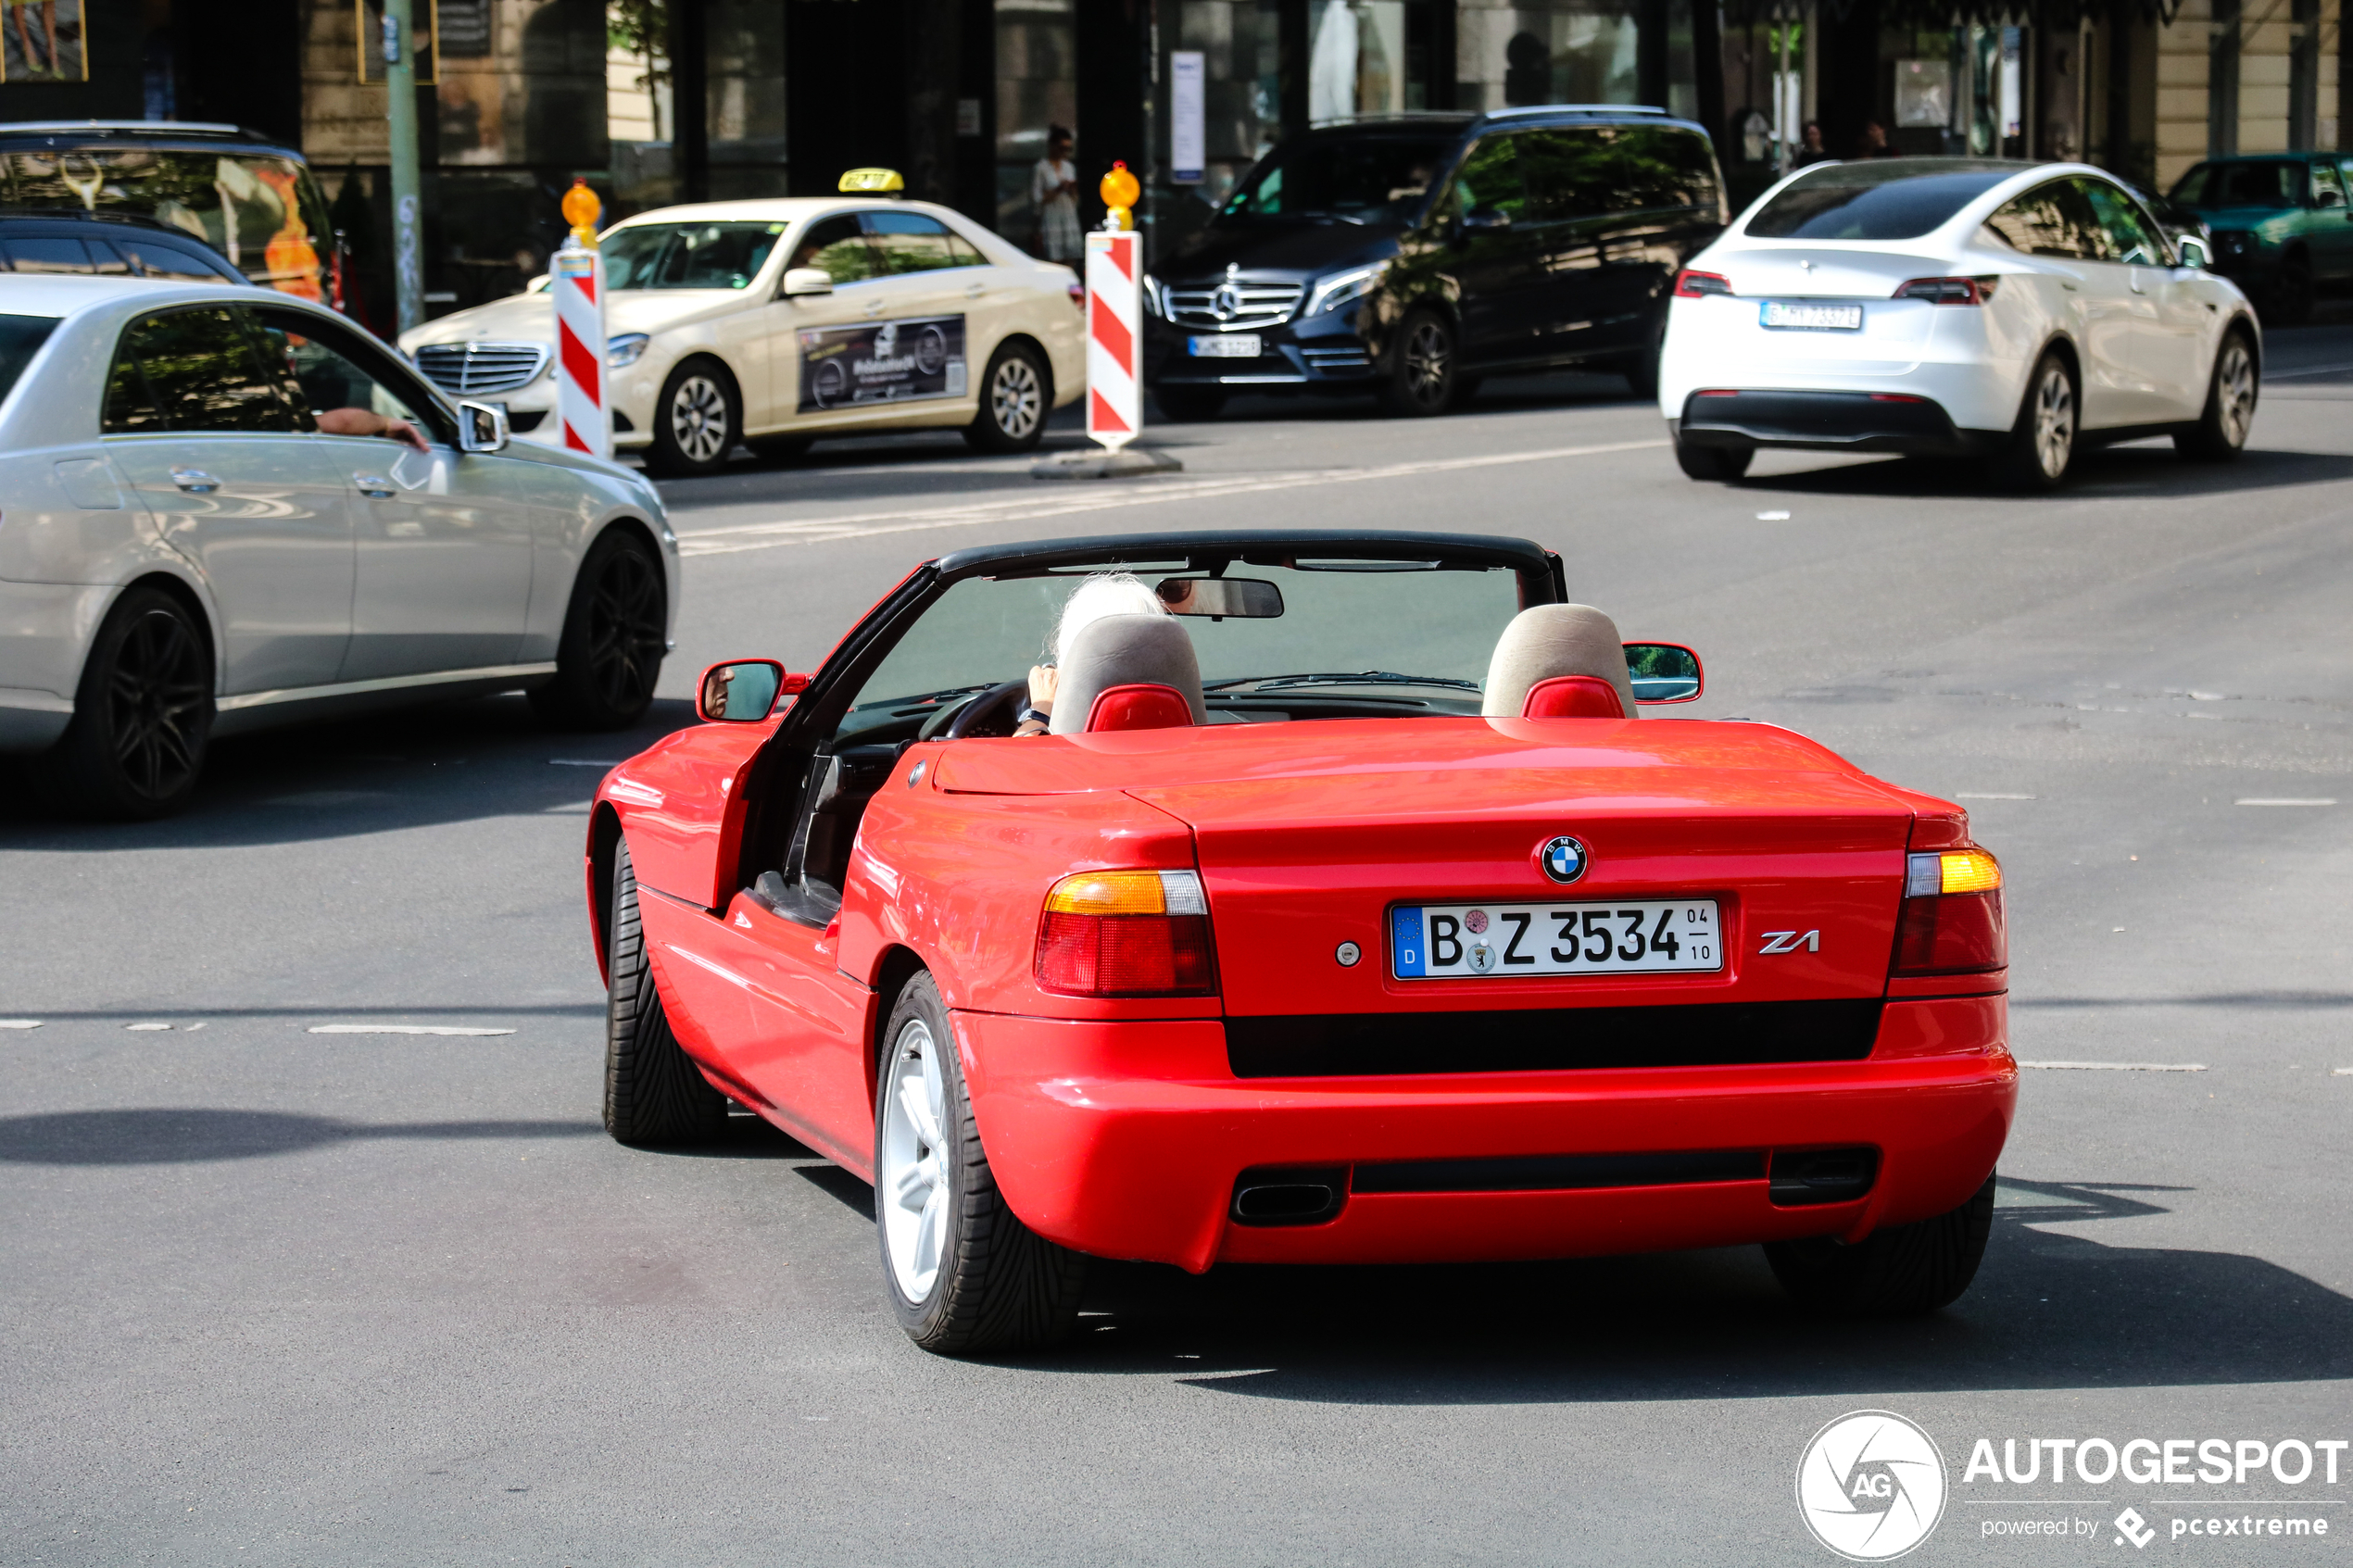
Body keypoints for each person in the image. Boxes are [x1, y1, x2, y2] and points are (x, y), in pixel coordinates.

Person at [1012, 572, 1170, 735]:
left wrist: (1041, 709)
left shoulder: (1070, 751)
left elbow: (1012, 761)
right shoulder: (1187, 729)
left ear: (1070, 652)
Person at [1030, 125, 1082, 264]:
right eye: (1062, 148)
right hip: (1051, 218)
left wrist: (1072, 189)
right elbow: (1037, 198)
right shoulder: (1041, 168)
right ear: (1052, 146)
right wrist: (1057, 189)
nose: (1064, 152)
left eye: (1068, 149)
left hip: (1068, 215)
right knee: (1054, 259)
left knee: (1071, 258)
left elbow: (1075, 199)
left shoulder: (1069, 167)